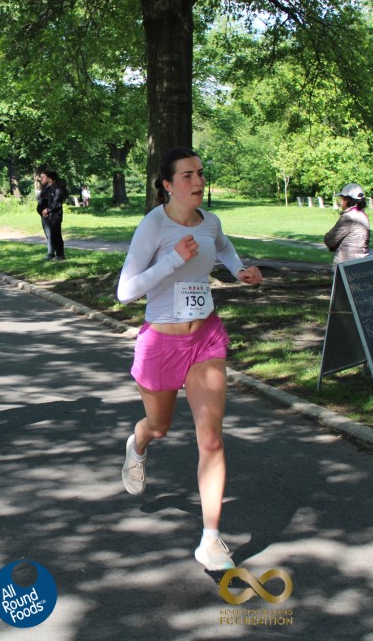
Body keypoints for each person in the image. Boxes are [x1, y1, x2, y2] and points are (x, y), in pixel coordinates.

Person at [116, 147, 263, 572]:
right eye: (187, 176)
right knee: (158, 427)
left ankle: (211, 540)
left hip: (205, 339)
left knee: (211, 438)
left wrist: (240, 271)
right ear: (167, 185)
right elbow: (125, 292)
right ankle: (137, 445)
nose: (198, 181)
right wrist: (172, 260)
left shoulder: (210, 222)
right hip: (161, 344)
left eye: (200, 173)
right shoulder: (154, 224)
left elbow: (224, 248)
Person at [324, 183, 370, 266]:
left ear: (347, 199)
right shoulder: (363, 215)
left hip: (347, 264)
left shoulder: (348, 217)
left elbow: (330, 240)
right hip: (363, 262)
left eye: (341, 198)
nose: (340, 201)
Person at [36, 169, 67, 260]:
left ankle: (60, 254)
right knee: (53, 235)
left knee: (56, 235)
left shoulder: (57, 189)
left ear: (53, 179)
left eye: (49, 179)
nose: (48, 180)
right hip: (51, 215)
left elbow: (56, 203)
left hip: (55, 216)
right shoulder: (52, 188)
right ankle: (57, 254)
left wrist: (48, 210)